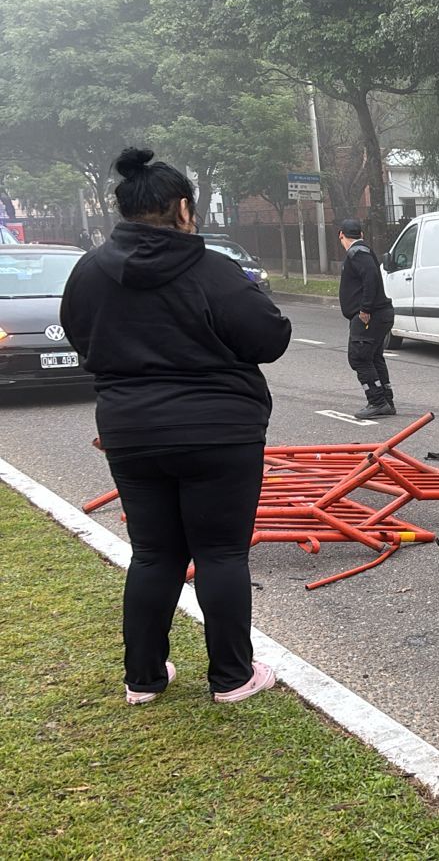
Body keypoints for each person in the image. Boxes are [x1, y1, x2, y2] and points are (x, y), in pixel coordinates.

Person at [60, 147, 290, 705]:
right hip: (220, 430)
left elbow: (79, 335)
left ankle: (143, 678)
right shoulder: (212, 269)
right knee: (221, 554)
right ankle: (232, 677)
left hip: (132, 431)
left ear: (124, 209)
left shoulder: (90, 271)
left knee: (154, 553)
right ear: (183, 208)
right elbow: (269, 338)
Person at [337, 219, 396, 418]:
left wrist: (365, 308)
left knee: (359, 357)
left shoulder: (357, 253)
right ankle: (386, 400)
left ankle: (377, 401)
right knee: (373, 357)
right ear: (361, 234)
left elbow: (370, 277)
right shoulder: (364, 251)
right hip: (380, 314)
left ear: (341, 235)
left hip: (370, 315)